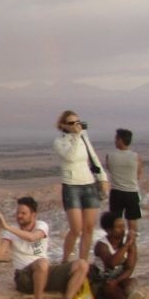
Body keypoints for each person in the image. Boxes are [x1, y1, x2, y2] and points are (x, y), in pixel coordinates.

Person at [0, 196, 88, 299]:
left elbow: (32, 237)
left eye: (23, 213)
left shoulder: (41, 225)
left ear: (33, 214)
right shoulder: (11, 232)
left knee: (82, 264)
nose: (19, 216)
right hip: (24, 277)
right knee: (42, 263)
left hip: (43, 271)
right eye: (18, 213)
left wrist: (7, 226)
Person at [52, 110, 106, 264]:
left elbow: (93, 156)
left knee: (89, 228)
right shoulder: (59, 142)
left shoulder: (84, 137)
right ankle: (66, 260)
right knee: (76, 229)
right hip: (71, 185)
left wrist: (102, 177)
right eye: (71, 123)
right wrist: (76, 137)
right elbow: (70, 157)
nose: (76, 125)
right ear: (63, 125)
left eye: (78, 122)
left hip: (88, 183)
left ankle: (83, 261)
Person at [92, 211, 145, 299]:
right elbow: (112, 263)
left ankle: (135, 298)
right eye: (119, 227)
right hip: (101, 281)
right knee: (110, 288)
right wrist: (126, 245)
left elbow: (130, 268)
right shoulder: (101, 245)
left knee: (130, 282)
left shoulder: (129, 243)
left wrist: (117, 280)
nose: (123, 230)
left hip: (118, 278)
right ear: (109, 230)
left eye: (123, 226)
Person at [106, 129, 143, 244]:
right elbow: (139, 175)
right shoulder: (136, 157)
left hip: (116, 192)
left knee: (115, 220)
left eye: (116, 138)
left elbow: (110, 170)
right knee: (132, 220)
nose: (115, 141)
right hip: (131, 192)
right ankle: (132, 243)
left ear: (120, 140)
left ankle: (116, 243)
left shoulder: (110, 156)